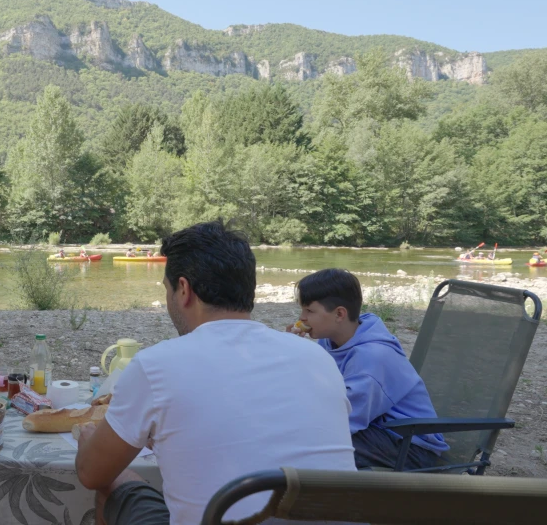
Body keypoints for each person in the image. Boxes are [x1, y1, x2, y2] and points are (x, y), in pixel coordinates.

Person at [74, 221, 355, 525]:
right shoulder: (319, 358)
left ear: (183, 289)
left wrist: (88, 441)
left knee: (113, 482)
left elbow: (92, 473)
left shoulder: (155, 366)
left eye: (167, 290)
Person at [288, 269, 448, 470]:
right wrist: (293, 351)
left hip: (410, 445)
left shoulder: (372, 357)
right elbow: (316, 388)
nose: (302, 318)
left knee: (310, 447)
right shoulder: (330, 341)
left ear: (339, 314)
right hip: (374, 426)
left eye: (309, 311)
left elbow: (345, 419)